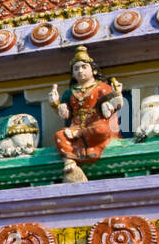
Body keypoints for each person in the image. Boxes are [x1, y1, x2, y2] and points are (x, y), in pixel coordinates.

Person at [49, 46, 124, 183]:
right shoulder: (70, 92)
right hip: (76, 125)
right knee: (59, 135)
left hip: (96, 124)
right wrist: (55, 104)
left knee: (102, 130)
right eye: (76, 69)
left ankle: (79, 136)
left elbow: (117, 105)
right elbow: (65, 115)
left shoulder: (102, 87)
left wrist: (117, 93)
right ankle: (69, 161)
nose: (80, 71)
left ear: (94, 70)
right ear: (72, 74)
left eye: (84, 67)